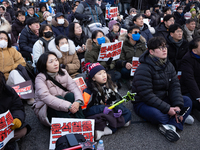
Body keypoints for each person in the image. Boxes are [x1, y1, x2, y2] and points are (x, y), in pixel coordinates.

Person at [132, 36, 193, 142]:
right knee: (160, 116)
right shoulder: (143, 68)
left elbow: (175, 86)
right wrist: (168, 109)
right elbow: (147, 95)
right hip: (143, 102)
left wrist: (178, 105)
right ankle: (178, 118)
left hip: (163, 98)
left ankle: (171, 126)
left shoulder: (168, 65)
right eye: (160, 48)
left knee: (187, 101)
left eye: (165, 47)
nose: (164, 50)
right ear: (151, 51)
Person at [33, 52, 85, 126]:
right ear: (44, 65)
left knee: (71, 95)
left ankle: (83, 122)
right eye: (51, 62)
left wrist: (77, 101)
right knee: (58, 98)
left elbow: (74, 87)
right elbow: (46, 97)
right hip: (46, 108)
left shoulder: (63, 72)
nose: (55, 63)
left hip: (64, 103)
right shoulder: (40, 78)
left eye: (56, 60)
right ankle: (69, 126)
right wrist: (68, 106)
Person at [82, 62, 131, 140]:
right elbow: (84, 111)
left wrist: (118, 110)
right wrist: (102, 108)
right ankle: (116, 125)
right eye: (99, 74)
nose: (104, 75)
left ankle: (106, 130)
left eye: (104, 72)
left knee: (126, 112)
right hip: (99, 113)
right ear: (93, 78)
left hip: (110, 110)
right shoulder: (88, 91)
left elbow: (115, 100)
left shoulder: (110, 85)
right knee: (99, 120)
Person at [0, 31, 34, 105]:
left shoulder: (12, 50)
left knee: (14, 73)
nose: (3, 40)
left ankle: (28, 96)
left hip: (8, 80)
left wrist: (11, 67)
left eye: (5, 39)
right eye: (1, 38)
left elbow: (22, 62)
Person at [0, 71, 31, 150]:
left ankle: (7, 141)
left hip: (5, 129)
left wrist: (17, 119)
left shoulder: (7, 90)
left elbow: (17, 107)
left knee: (23, 130)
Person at [180, 37, 200, 122]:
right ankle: (186, 112)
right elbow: (189, 80)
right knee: (189, 100)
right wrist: (198, 96)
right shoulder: (187, 59)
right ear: (194, 51)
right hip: (189, 90)